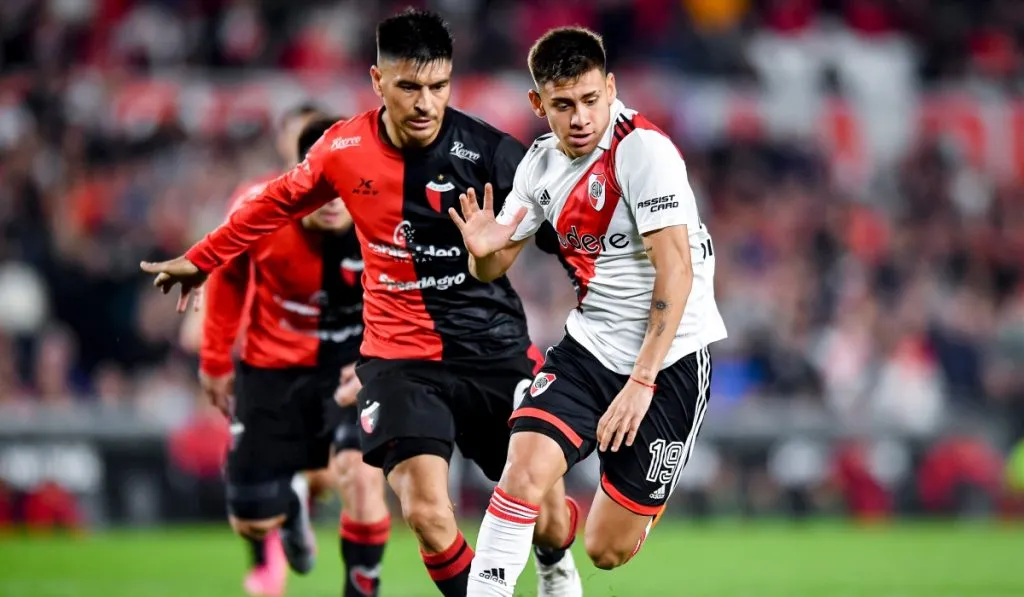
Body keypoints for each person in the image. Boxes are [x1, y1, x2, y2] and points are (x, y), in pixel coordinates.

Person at [141, 9, 582, 597]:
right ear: (377, 81)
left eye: (438, 86)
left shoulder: (491, 152)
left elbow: (570, 236)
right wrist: (201, 259)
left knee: (545, 514)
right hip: (400, 358)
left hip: (492, 348)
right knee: (425, 512)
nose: (425, 103)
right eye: (408, 87)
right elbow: (271, 204)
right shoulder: (344, 147)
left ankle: (554, 558)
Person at [447, 27, 728, 596]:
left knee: (605, 549)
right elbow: (494, 264)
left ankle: (606, 527)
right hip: (590, 348)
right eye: (563, 104)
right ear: (538, 103)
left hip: (668, 359)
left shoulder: (642, 151)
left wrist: (642, 381)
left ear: (611, 87)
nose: (579, 117)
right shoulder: (540, 165)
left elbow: (677, 270)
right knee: (519, 473)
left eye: (590, 99)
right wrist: (480, 253)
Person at [200, 113, 392, 597]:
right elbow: (227, 276)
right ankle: (288, 505)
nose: (330, 202)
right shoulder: (258, 210)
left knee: (360, 478)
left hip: (352, 365)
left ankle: (360, 588)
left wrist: (379, 362)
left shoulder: (387, 220)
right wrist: (216, 360)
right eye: (318, 185)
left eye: (341, 186)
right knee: (250, 521)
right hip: (273, 367)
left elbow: (413, 299)